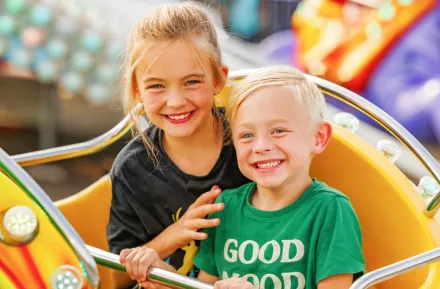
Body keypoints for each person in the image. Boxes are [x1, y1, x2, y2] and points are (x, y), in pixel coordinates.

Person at [128, 65, 366, 289]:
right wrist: (165, 279)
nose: (261, 146)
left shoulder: (330, 210)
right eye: (247, 135)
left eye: (278, 131)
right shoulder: (224, 209)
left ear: (318, 137)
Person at [107, 2, 249, 289]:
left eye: (192, 82)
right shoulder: (132, 169)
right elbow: (117, 279)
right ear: (136, 89)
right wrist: (172, 236)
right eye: (157, 86)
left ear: (219, 78)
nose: (175, 101)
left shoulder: (250, 141)